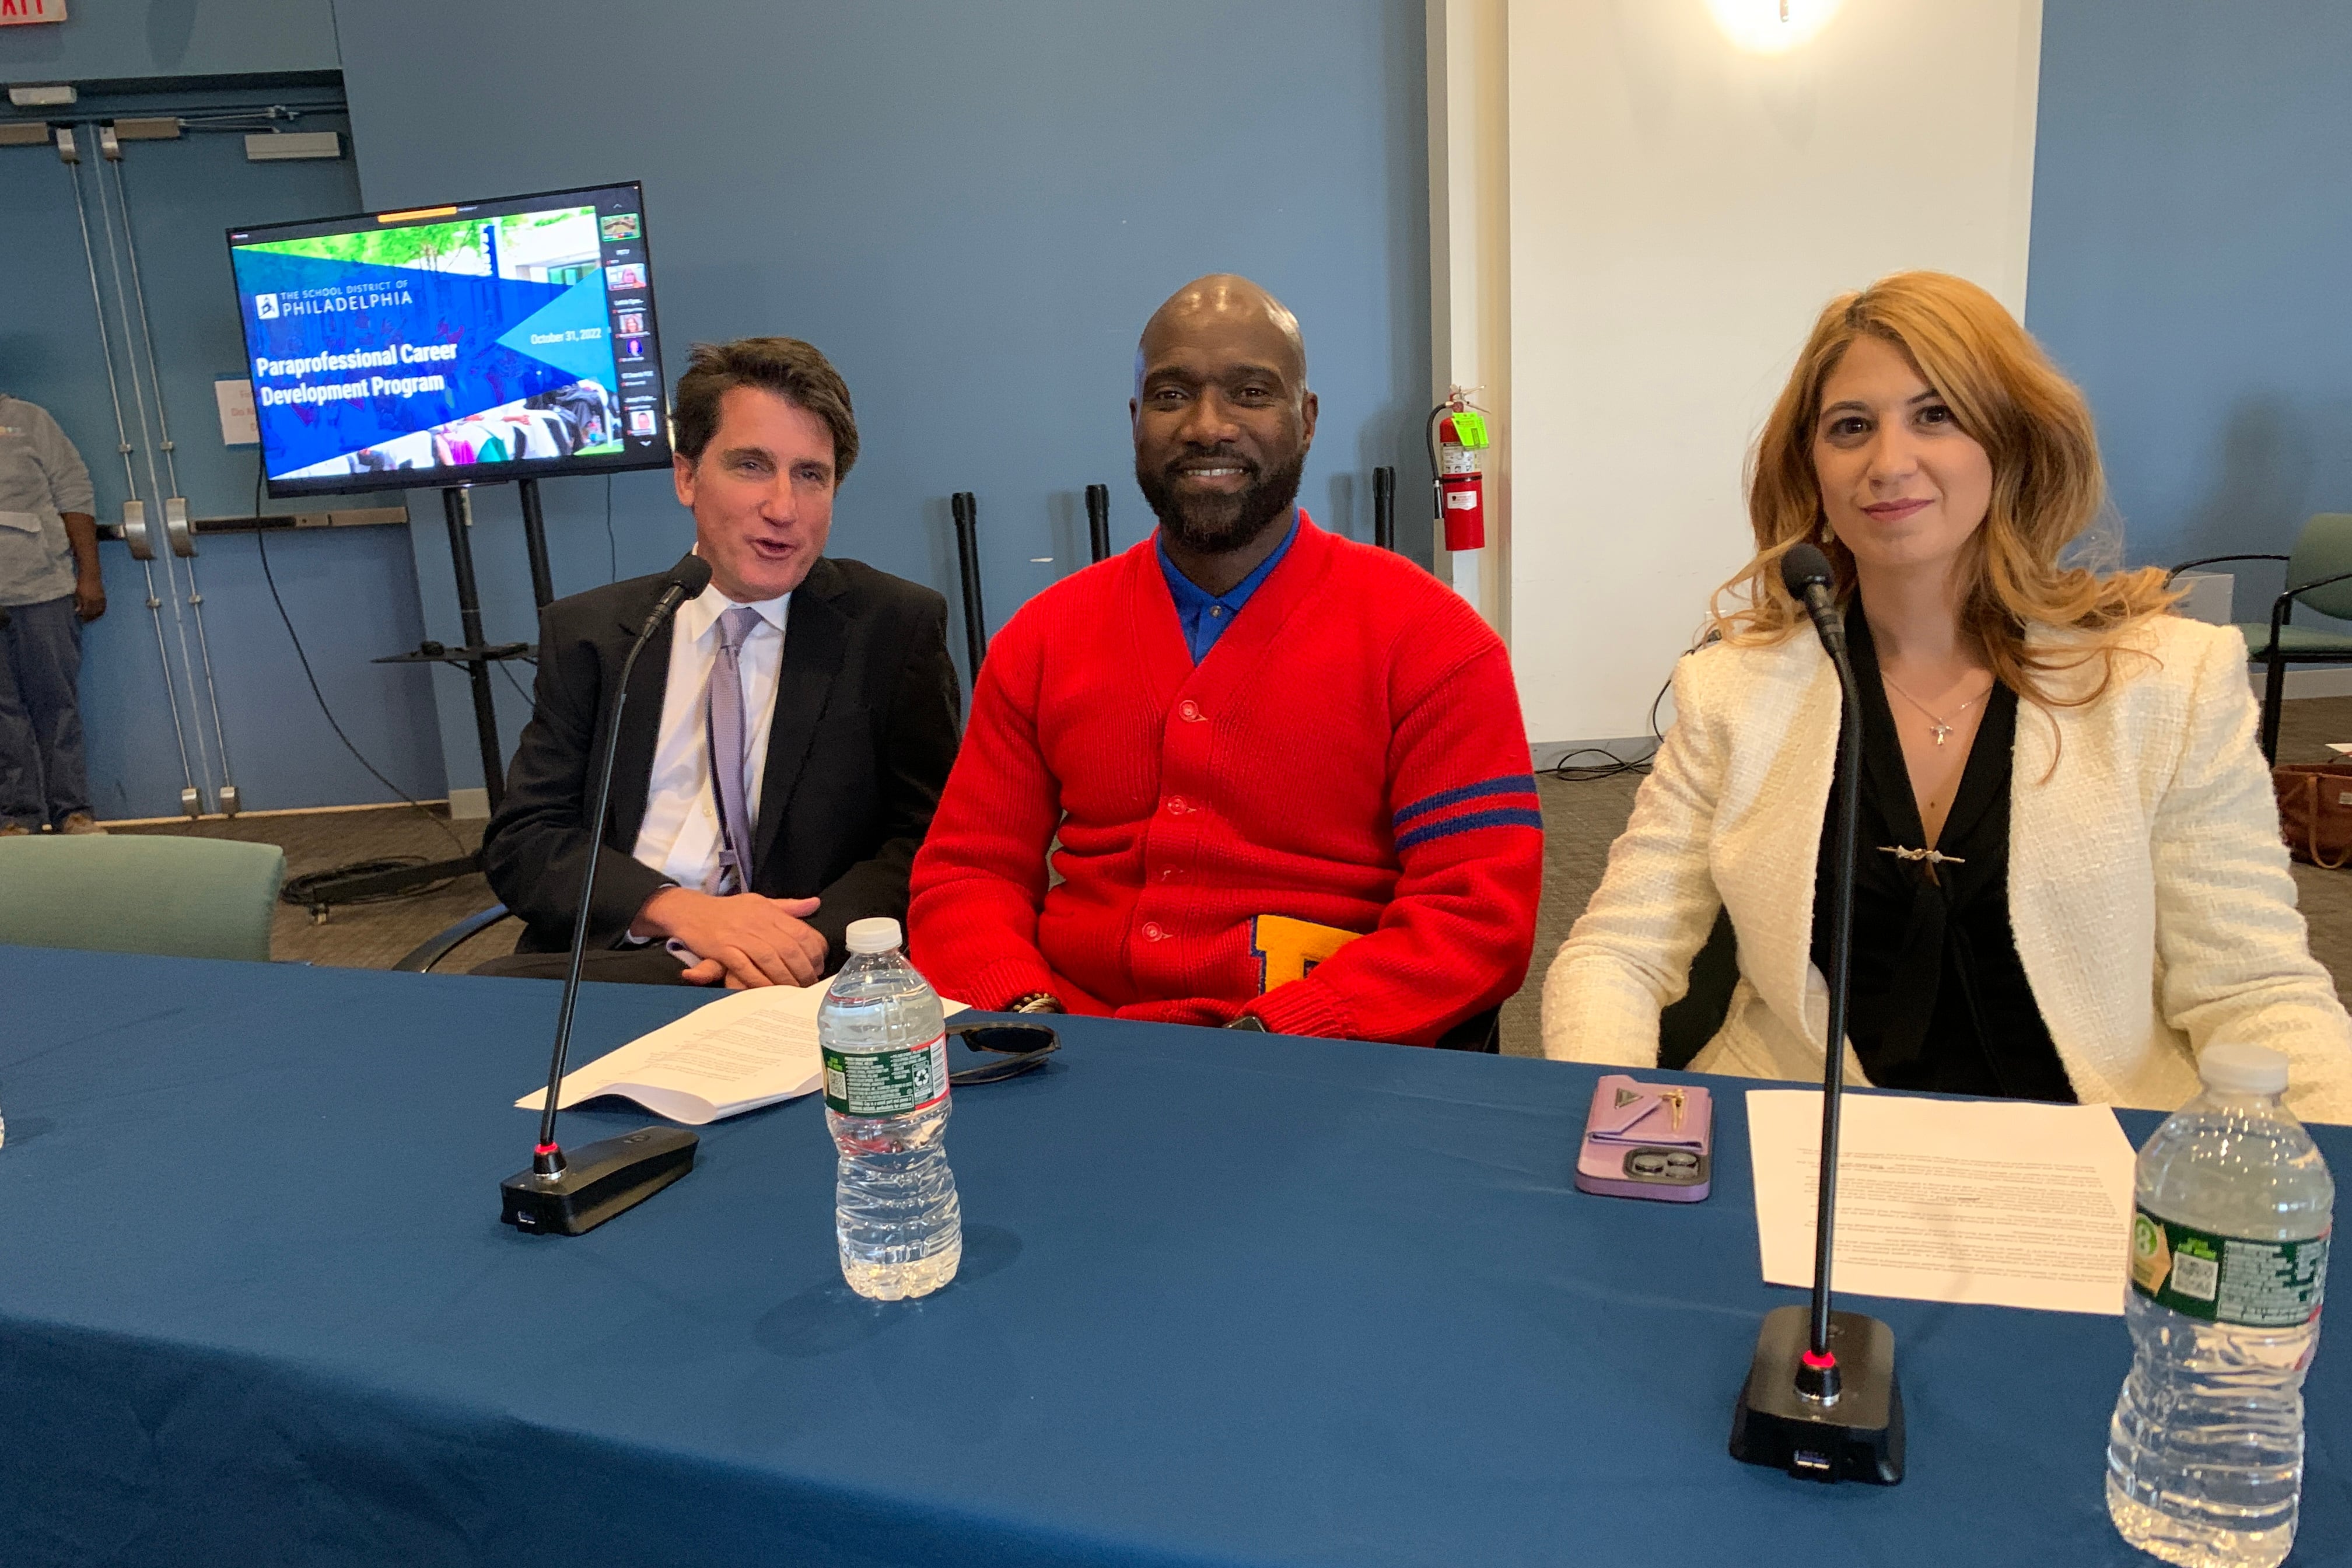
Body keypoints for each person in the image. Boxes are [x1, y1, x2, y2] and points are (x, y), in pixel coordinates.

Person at [1542, 271, 2352, 1123]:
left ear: (2012, 441)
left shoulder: (2168, 681)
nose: (1890, 462)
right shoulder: (1734, 690)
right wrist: (1614, 1129)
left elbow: (2255, 992)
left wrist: (2319, 1175)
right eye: (1851, 427)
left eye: (1937, 415)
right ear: (1811, 466)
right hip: (1800, 1145)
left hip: (2092, 1154)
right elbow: (1619, 954)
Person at [907, 275, 1542, 1046]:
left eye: (1250, 392)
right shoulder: (1043, 638)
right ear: (1137, 422)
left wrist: (1276, 1038)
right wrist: (1022, 1013)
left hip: (1327, 1057)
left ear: (1306, 421)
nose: (1209, 427)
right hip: (1075, 1052)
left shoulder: (1435, 643)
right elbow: (967, 875)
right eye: (1173, 396)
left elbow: (1476, 916)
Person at [478, 337, 960, 986]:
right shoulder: (596, 633)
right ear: (687, 477)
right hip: (620, 962)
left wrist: (796, 945)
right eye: (752, 466)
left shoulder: (892, 626)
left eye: (810, 475)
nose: (784, 508)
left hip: (805, 973)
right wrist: (679, 912)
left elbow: (928, 839)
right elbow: (527, 842)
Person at [0, 392, 106, 836]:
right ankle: (15, 818)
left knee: (56, 706)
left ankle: (73, 813)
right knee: (2, 712)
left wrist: (91, 576)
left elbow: (74, 494)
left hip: (43, 591)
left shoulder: (30, 420)